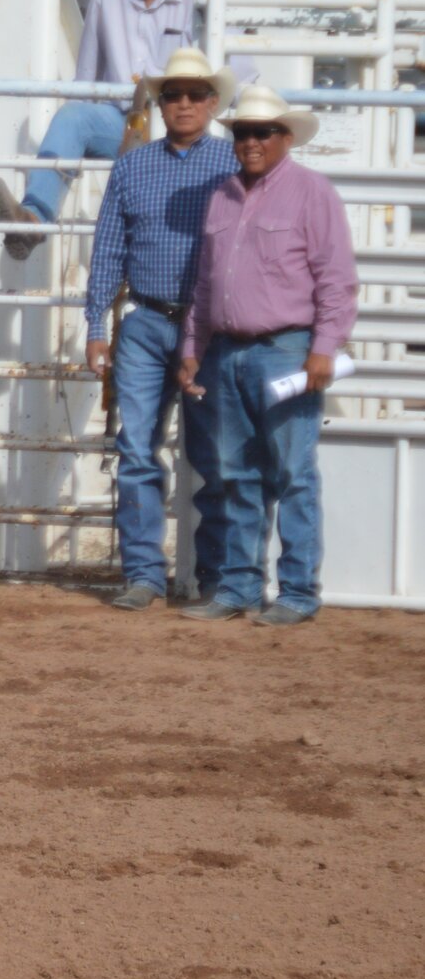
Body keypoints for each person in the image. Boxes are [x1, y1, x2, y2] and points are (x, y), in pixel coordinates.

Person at [177, 85, 358, 626]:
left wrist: (324, 348)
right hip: (228, 352)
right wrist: (193, 348)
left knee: (291, 473)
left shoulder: (312, 192)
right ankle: (238, 587)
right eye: (242, 132)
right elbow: (206, 286)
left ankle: (298, 590)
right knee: (233, 472)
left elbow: (336, 280)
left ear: (285, 138)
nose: (250, 141)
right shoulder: (221, 196)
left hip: (285, 349)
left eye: (261, 132)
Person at [84, 48, 238, 610]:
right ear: (161, 102)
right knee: (138, 448)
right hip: (146, 322)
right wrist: (96, 325)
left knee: (213, 453)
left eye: (195, 94)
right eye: (173, 94)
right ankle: (145, 574)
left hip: (210, 327)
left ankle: (215, 575)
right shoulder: (131, 165)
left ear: (213, 103)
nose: (184, 104)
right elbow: (108, 251)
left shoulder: (231, 166)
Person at [0, 0, 206, 259]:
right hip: (121, 121)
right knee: (73, 116)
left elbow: (222, 64)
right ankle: (33, 219)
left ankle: (35, 226)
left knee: (130, 138)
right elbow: (85, 79)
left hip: (178, 120)